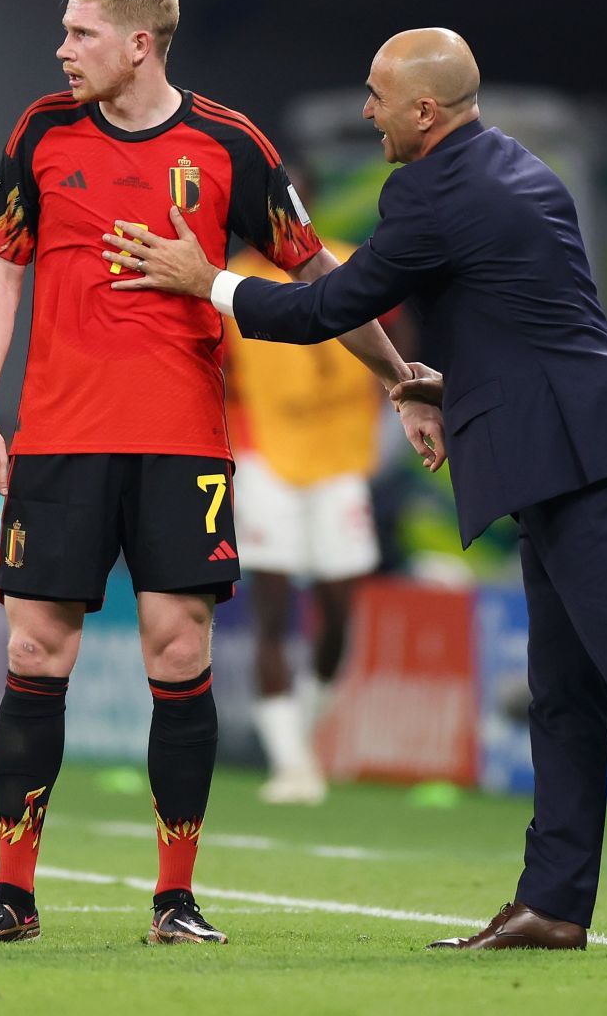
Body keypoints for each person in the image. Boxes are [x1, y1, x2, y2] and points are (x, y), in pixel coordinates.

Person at [104, 27, 607, 956]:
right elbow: (527, 320)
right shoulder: (515, 167)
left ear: (424, 110)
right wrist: (442, 386)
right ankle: (553, 903)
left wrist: (210, 281)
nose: (366, 111)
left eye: (377, 95)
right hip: (576, 437)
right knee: (562, 691)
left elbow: (323, 309)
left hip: (580, 452)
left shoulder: (433, 192)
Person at [0, 0, 442, 947]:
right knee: (37, 650)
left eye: (80, 32)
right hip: (61, 440)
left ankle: (175, 896)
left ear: (139, 42)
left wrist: (396, 374)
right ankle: (12, 891)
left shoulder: (229, 146)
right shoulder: (41, 132)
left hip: (181, 447)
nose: (63, 48)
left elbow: (319, 274)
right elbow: (1, 276)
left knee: (181, 650)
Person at [224, 207, 386, 806]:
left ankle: (307, 742)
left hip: (341, 457)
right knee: (273, 611)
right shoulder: (233, 281)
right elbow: (215, 368)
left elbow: (400, 332)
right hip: (265, 453)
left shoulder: (344, 262)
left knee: (340, 610)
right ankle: (288, 760)